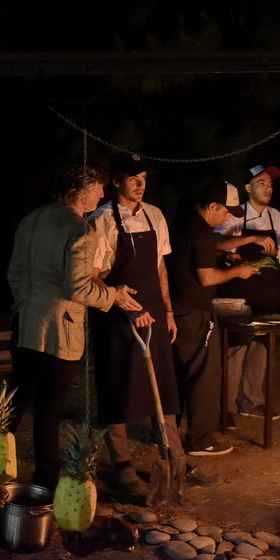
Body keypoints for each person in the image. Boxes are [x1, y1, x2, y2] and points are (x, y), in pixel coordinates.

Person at [6, 162, 143, 489]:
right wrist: (114, 296)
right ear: (82, 190)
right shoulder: (80, 229)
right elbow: (78, 288)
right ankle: (46, 482)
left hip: (25, 323)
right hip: (59, 331)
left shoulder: (31, 220)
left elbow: (14, 274)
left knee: (15, 402)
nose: (101, 194)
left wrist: (27, 304)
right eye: (98, 188)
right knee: (49, 410)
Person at [87, 152, 183, 494]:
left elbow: (159, 268)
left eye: (144, 178)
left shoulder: (156, 215)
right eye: (132, 178)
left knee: (165, 386)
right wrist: (123, 304)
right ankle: (122, 465)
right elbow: (93, 276)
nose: (141, 185)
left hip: (154, 311)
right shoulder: (100, 220)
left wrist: (168, 311)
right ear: (116, 181)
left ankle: (174, 456)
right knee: (118, 385)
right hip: (115, 315)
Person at [169, 180, 261, 456]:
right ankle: (201, 440)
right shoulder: (202, 234)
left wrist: (237, 246)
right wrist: (239, 271)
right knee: (204, 376)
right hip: (195, 311)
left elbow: (213, 245)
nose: (228, 217)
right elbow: (207, 276)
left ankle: (168, 434)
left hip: (177, 310)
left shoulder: (188, 224)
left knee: (178, 375)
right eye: (225, 212)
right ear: (212, 206)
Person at [214, 164, 280, 420]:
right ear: (248, 188)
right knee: (234, 348)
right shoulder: (235, 216)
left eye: (270, 184)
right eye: (261, 183)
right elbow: (213, 246)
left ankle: (252, 401)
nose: (268, 187)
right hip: (238, 290)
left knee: (262, 347)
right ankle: (225, 408)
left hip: (269, 293)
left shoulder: (278, 219)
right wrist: (231, 253)